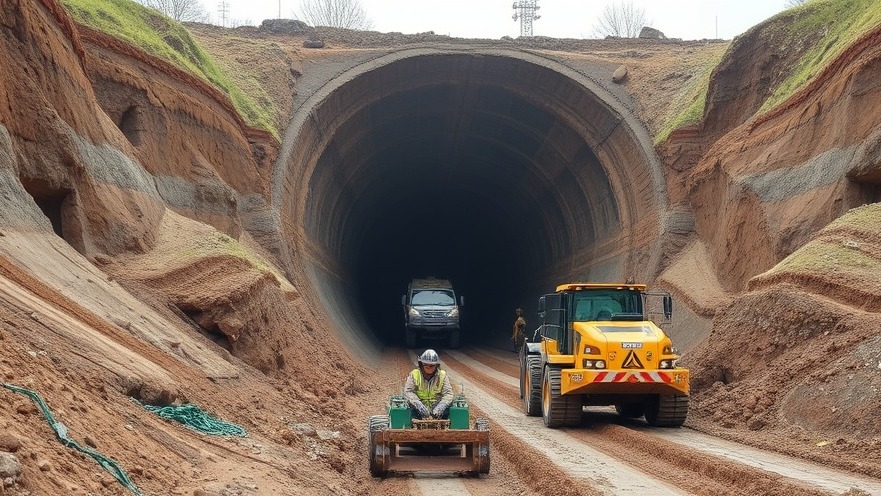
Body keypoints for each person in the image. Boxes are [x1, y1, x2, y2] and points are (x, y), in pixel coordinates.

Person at [404, 349, 454, 419]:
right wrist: (419, 405)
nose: (429, 368)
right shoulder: (414, 374)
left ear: (436, 365)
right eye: (426, 366)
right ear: (421, 365)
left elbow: (448, 393)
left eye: (431, 366)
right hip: (418, 408)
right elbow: (408, 391)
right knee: (406, 408)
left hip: (437, 407)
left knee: (452, 406)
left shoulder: (442, 375)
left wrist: (441, 407)